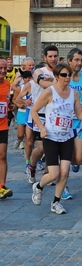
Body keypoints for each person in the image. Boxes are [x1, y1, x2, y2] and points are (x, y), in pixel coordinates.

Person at [30, 63, 82, 214]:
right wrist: (42, 128)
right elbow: (34, 111)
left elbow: (78, 114)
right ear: (56, 76)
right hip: (51, 137)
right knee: (54, 174)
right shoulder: (50, 92)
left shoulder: (73, 93)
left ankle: (55, 202)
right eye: (64, 75)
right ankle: (38, 186)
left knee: (65, 172)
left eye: (69, 75)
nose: (67, 78)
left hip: (67, 137)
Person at [20, 45, 59, 184]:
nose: (53, 59)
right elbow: (42, 82)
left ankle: (49, 174)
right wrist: (54, 82)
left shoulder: (60, 72)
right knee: (42, 148)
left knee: (53, 147)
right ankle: (32, 166)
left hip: (54, 114)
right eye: (50, 56)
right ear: (45, 58)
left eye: (55, 56)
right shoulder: (38, 70)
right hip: (39, 114)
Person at [65, 48, 82, 199]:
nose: (79, 63)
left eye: (81, 60)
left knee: (80, 158)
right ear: (69, 61)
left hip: (79, 122)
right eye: (76, 60)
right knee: (66, 158)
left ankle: (65, 162)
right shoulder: (63, 78)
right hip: (65, 123)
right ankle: (63, 187)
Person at [0, 58, 14, 199]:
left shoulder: (7, 84)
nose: (3, 71)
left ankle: (2, 186)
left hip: (3, 125)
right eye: (0, 68)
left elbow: (7, 102)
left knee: (3, 155)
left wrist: (10, 106)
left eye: (4, 68)